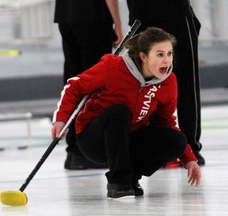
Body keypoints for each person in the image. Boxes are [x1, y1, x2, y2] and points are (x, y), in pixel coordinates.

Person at [51, 27, 201, 198]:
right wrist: (61, 120)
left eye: (169, 54)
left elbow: (166, 122)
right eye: (160, 54)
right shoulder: (113, 67)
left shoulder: (168, 82)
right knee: (120, 112)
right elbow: (74, 86)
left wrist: (189, 159)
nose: (166, 61)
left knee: (176, 141)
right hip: (95, 140)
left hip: (128, 138)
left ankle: (131, 178)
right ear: (144, 56)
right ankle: (118, 181)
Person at [126, 0, 205, 166]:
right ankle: (166, 146)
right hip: (153, 13)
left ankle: (187, 146)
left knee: (179, 84)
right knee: (149, 85)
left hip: (160, 12)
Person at [54, 0, 123, 169]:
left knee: (74, 79)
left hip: (66, 16)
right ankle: (88, 152)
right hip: (93, 16)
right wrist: (118, 25)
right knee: (94, 83)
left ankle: (74, 152)